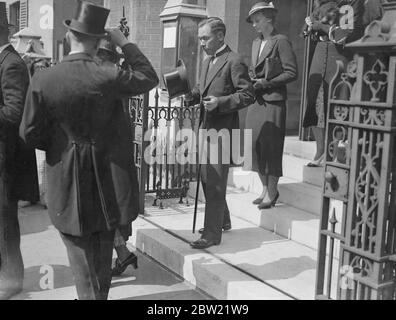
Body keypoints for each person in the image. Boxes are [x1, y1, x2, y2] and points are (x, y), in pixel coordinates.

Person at [20, 1, 158, 300]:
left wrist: (62, 146)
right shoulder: (108, 74)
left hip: (66, 182)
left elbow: (29, 133)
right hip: (108, 181)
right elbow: (148, 76)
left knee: (81, 260)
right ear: (99, 43)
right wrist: (126, 43)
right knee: (101, 257)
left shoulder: (44, 78)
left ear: (69, 37)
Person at [186, 17, 254, 249]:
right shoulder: (207, 61)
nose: (201, 43)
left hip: (223, 132)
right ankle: (222, 219)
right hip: (206, 128)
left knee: (214, 181)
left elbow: (248, 94)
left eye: (205, 38)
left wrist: (221, 102)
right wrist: (190, 95)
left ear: (220, 36)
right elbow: (200, 88)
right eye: (200, 38)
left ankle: (212, 235)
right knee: (207, 178)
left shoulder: (234, 61)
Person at [302, 0, 383, 167]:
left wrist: (320, 27)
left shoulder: (352, 3)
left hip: (339, 58)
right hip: (319, 54)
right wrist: (309, 26)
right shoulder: (324, 3)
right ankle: (320, 150)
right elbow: (309, 27)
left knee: (337, 104)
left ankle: (334, 151)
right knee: (314, 104)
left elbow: (346, 34)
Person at [0, 2, 39, 300]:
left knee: (5, 221)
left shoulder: (11, 63)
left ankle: (12, 280)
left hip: (6, 160)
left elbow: (14, 113)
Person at [245, 2, 298, 209]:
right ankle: (265, 188)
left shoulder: (281, 41)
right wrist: (250, 79)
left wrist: (266, 82)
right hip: (256, 101)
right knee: (254, 146)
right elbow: (253, 69)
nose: (254, 25)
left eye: (257, 20)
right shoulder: (255, 43)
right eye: (252, 21)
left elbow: (292, 72)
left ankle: (273, 191)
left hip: (273, 101)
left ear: (268, 18)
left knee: (271, 147)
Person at [95, 39, 138, 277]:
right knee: (110, 212)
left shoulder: (108, 81)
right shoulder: (115, 79)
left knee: (106, 213)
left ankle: (120, 256)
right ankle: (123, 254)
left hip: (109, 158)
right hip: (114, 156)